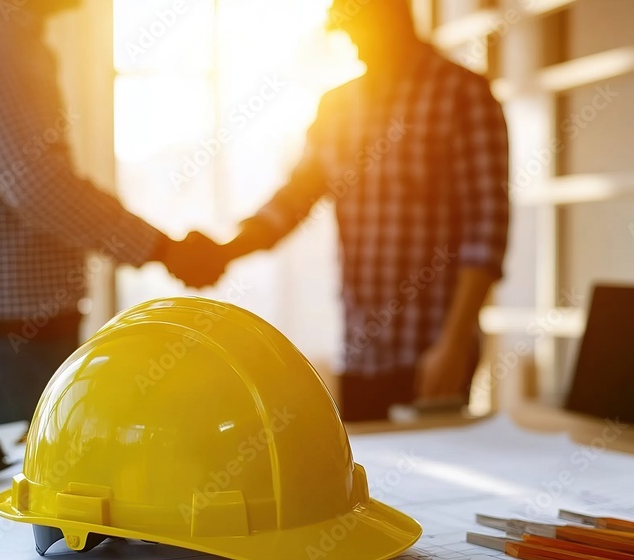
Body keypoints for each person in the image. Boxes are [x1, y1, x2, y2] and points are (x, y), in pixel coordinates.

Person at [0, 0, 223, 425]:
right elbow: (39, 187)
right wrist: (165, 250)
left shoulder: (8, 43)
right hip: (2, 354)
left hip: (8, 346)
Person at [218, 0, 510, 421]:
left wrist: (454, 341)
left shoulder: (464, 95)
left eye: (358, 28)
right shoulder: (336, 108)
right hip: (361, 352)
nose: (352, 43)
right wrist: (223, 251)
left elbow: (487, 229)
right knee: (368, 477)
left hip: (435, 352)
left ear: (393, 16)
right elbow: (292, 201)